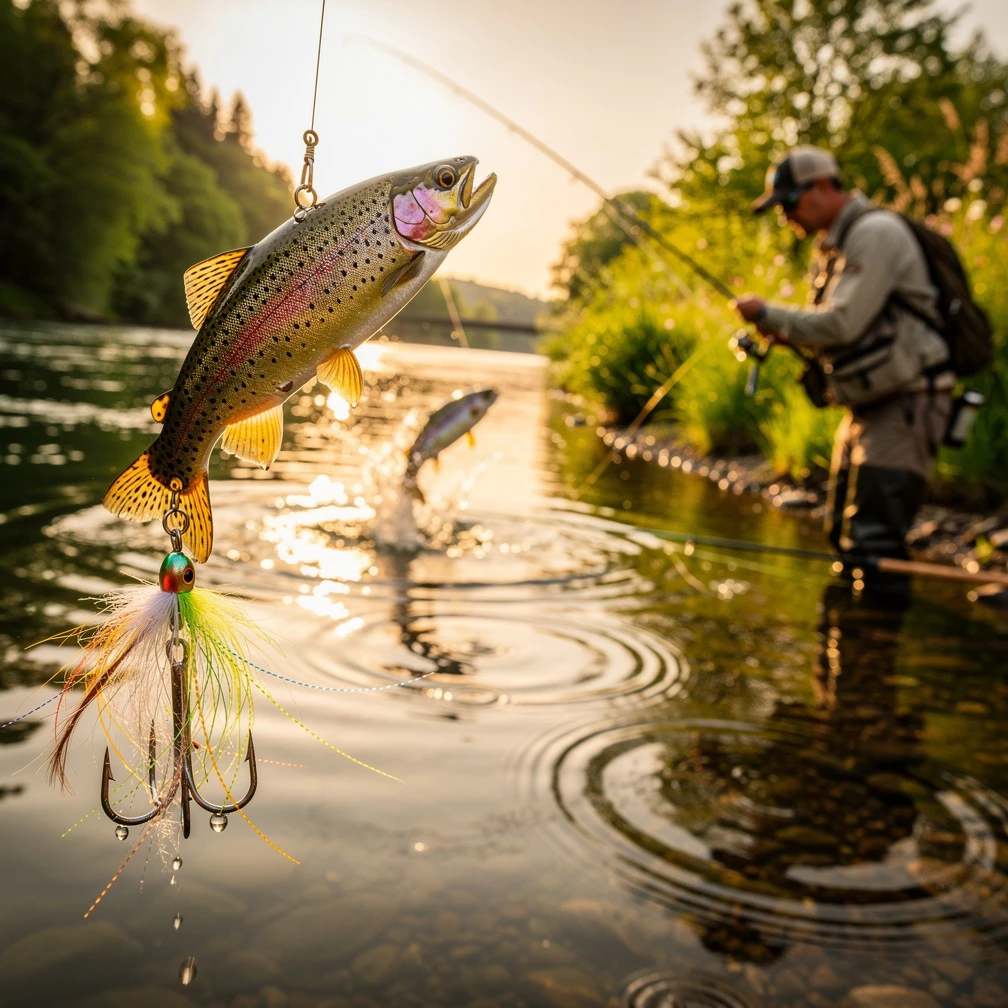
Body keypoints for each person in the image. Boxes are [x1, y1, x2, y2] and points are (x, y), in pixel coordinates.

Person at [734, 147, 954, 578]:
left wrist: (767, 313)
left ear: (821, 186)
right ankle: (844, 642)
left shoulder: (874, 233)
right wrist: (786, 332)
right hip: (868, 408)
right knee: (842, 536)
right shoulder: (836, 246)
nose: (785, 216)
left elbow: (842, 324)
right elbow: (846, 328)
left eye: (789, 203)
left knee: (874, 545)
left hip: (906, 405)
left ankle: (872, 639)